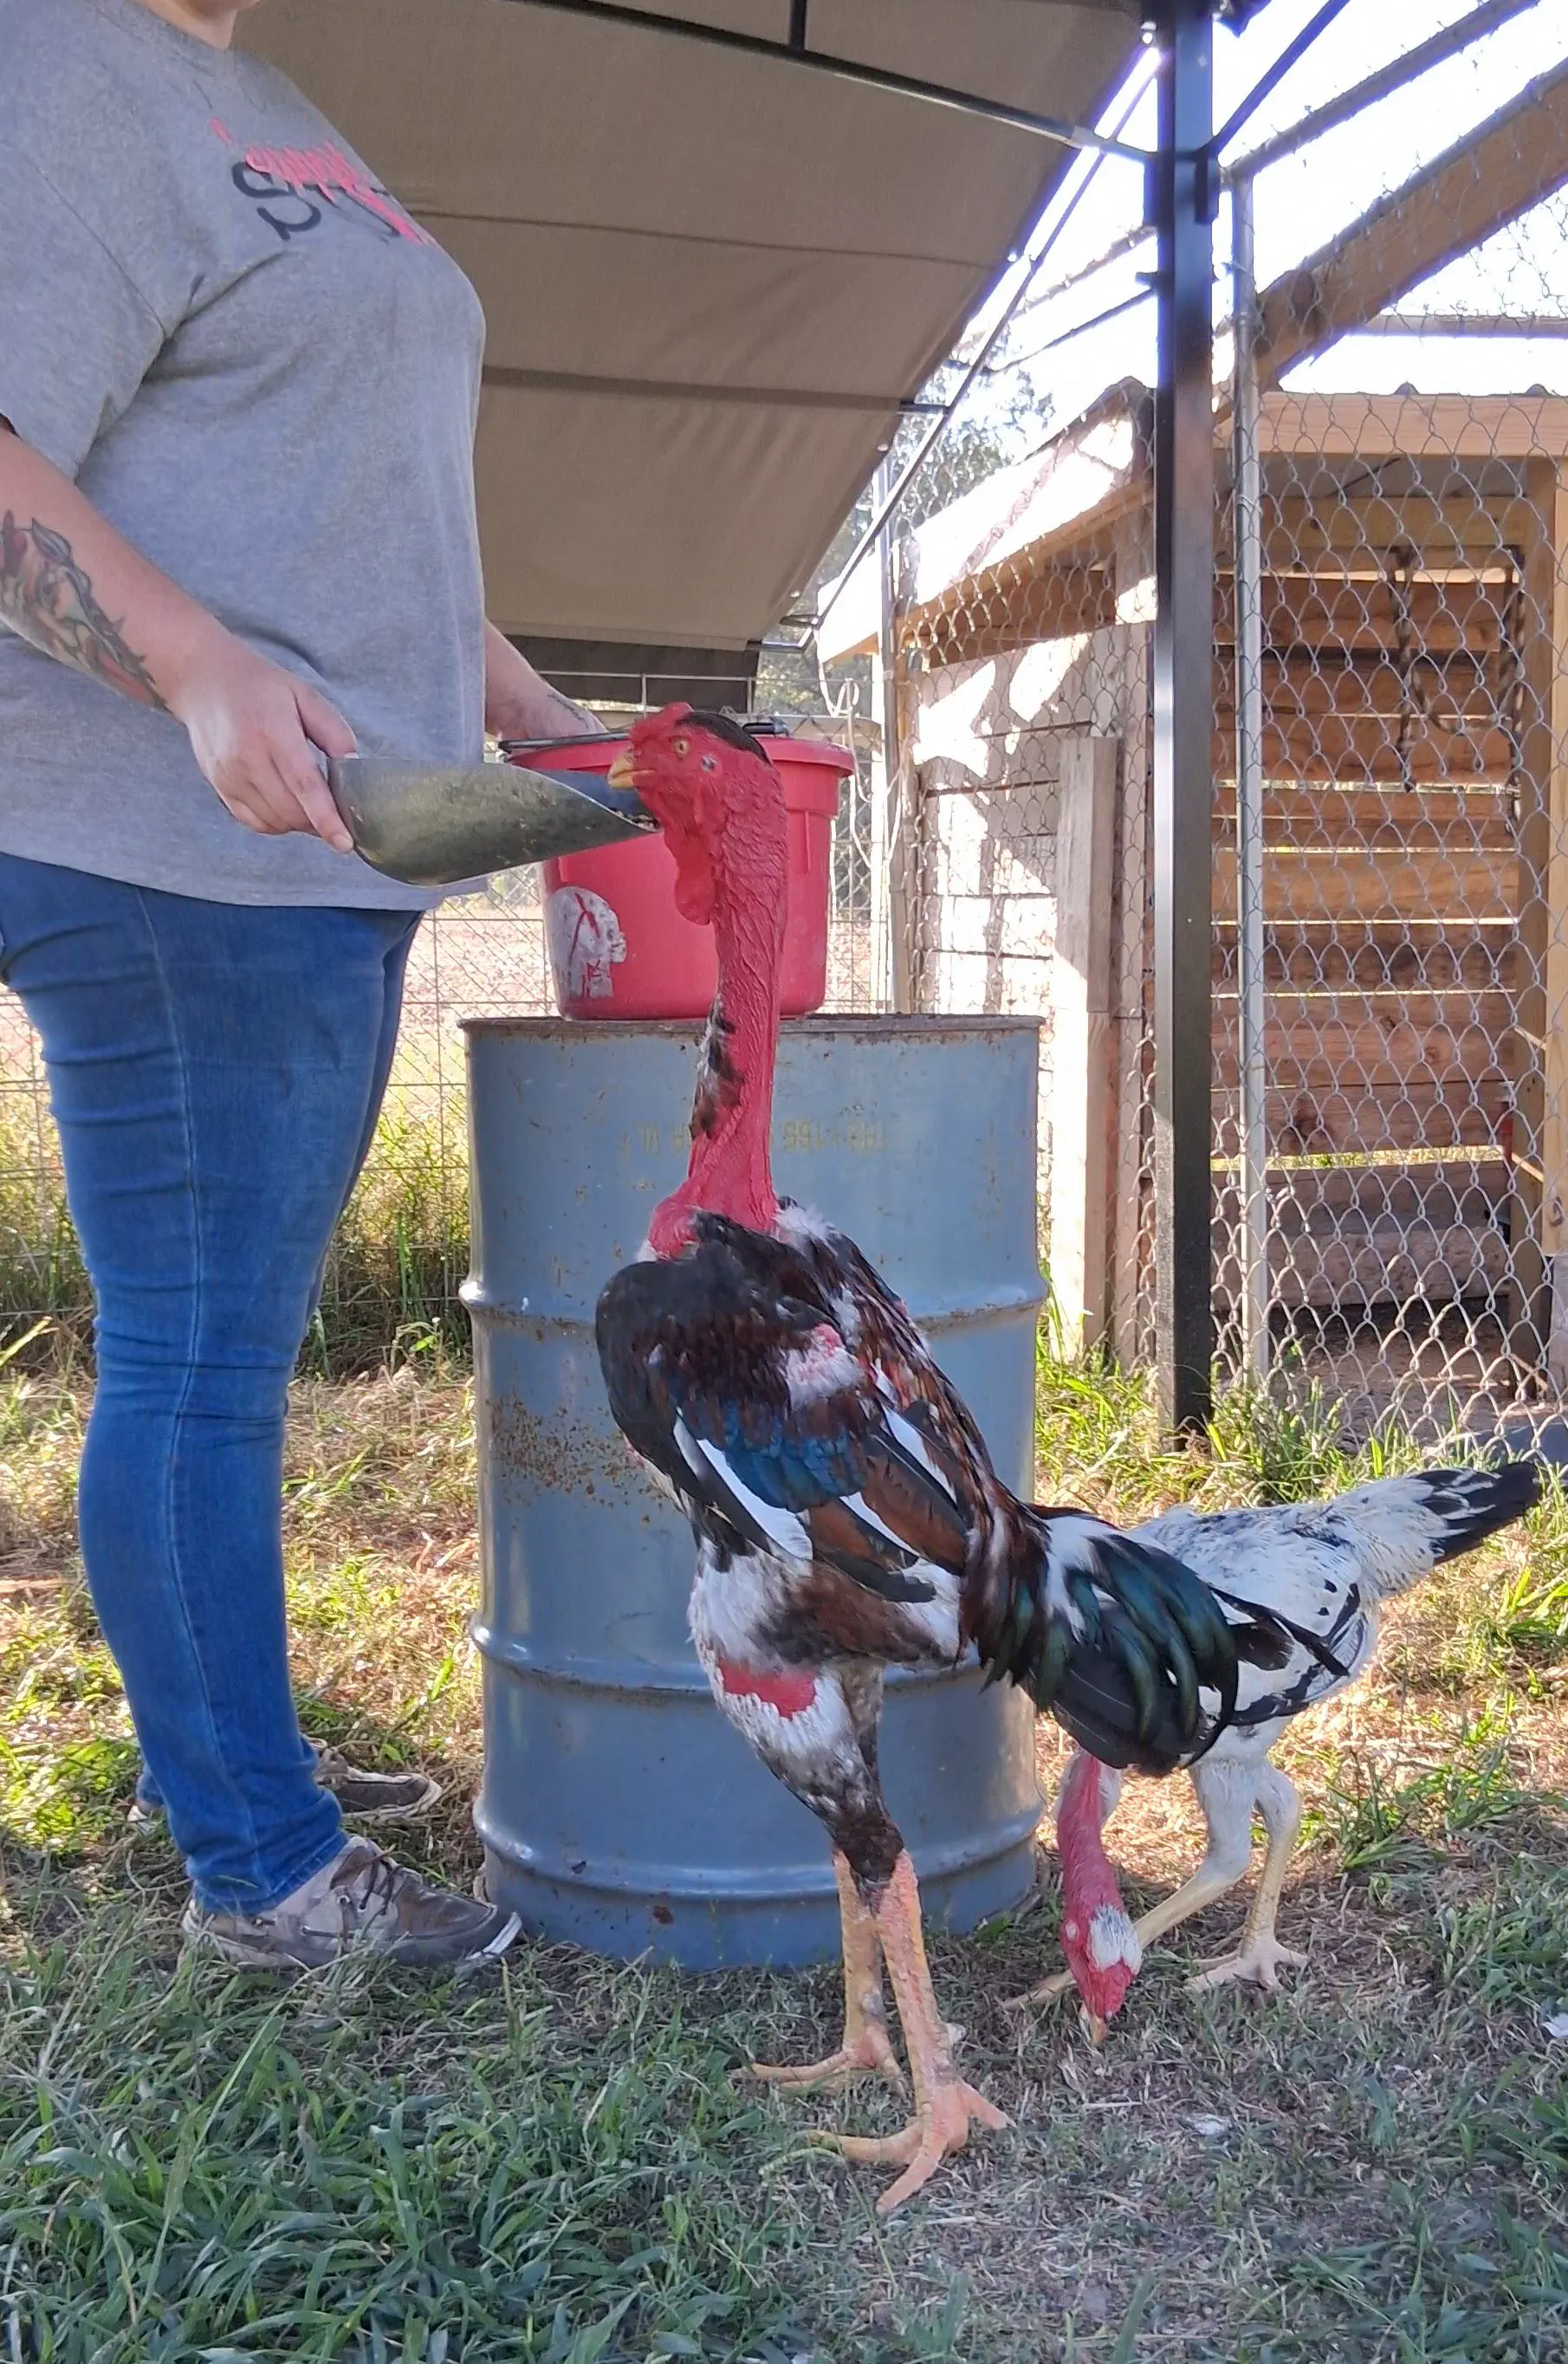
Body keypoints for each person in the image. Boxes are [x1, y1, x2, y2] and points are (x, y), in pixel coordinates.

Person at [0, 0, 597, 1967]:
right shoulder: (61, 62)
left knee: (218, 1342)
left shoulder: (260, 98)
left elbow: (313, 455)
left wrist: (485, 671)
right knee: (203, 1357)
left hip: (325, 842)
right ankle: (262, 1865)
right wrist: (189, 665)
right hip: (167, 843)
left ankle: (237, 1758)